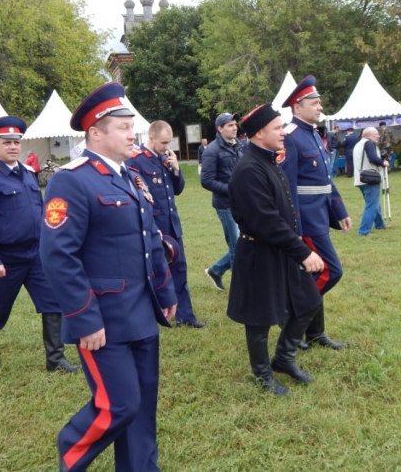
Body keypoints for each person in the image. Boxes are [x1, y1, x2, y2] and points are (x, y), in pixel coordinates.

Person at [39, 82, 177, 472]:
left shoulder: (130, 176)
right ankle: (71, 451)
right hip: (103, 319)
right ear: (95, 133)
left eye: (132, 127)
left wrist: (165, 291)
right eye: (123, 127)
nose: (132, 134)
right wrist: (84, 318)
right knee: (118, 405)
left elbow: (151, 239)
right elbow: (57, 255)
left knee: (142, 405)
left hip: (141, 312)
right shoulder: (72, 179)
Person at [0, 116, 79, 374]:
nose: (13, 147)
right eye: (6, 142)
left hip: (36, 254)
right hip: (6, 259)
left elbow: (40, 212)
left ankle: (55, 359)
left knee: (53, 302)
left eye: (16, 142)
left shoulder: (28, 173)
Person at [227, 104, 323, 396]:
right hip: (259, 253)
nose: (284, 133)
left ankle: (283, 358)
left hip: (281, 249)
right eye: (278, 128)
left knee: (308, 302)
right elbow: (266, 221)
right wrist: (303, 252)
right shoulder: (248, 170)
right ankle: (262, 375)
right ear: (259, 133)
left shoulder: (268, 160)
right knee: (259, 319)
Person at [280, 75, 351, 350]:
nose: (320, 107)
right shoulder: (290, 137)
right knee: (329, 272)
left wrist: (340, 209)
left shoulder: (313, 134)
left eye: (319, 102)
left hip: (320, 214)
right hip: (306, 220)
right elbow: (287, 189)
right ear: (297, 107)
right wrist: (295, 229)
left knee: (312, 274)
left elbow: (325, 180)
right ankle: (292, 318)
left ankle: (315, 333)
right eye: (314, 103)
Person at [127, 120, 206, 328]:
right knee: (155, 272)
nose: (167, 147)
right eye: (163, 142)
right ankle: (155, 315)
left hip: (172, 224)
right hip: (154, 227)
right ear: (151, 138)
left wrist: (176, 169)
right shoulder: (136, 160)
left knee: (179, 269)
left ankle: (185, 316)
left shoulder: (165, 158)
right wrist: (151, 227)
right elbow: (140, 198)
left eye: (169, 142)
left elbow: (177, 190)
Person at [200, 113, 243, 291]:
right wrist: (232, 190)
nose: (235, 127)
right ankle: (241, 290)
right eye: (230, 125)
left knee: (243, 244)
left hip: (242, 203)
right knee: (236, 248)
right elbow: (206, 181)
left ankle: (216, 270)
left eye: (235, 124)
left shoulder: (239, 145)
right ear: (220, 128)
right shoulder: (211, 150)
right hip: (225, 205)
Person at [353, 127, 390, 236]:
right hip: (370, 178)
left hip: (361, 178)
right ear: (369, 135)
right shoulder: (369, 143)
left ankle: (379, 224)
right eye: (376, 134)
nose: (378, 136)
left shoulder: (358, 144)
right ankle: (364, 231)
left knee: (374, 203)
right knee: (371, 205)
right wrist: (383, 162)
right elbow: (373, 158)